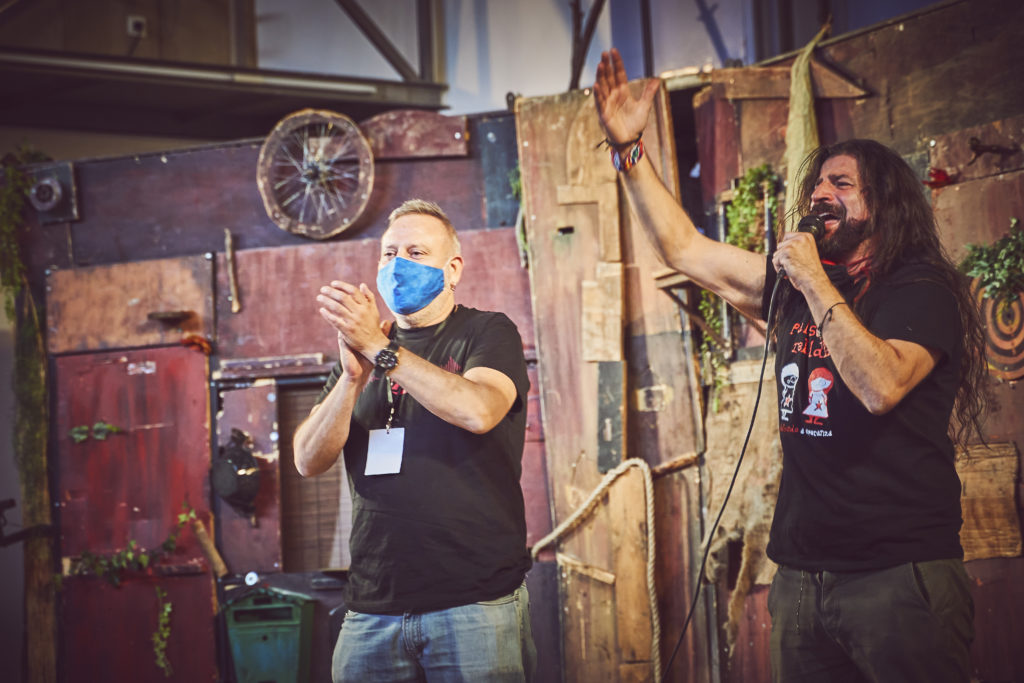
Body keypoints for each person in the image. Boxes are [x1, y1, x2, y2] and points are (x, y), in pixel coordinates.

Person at [594, 48, 987, 683]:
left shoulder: (919, 291)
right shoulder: (796, 287)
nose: (820, 195)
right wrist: (629, 151)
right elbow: (683, 248)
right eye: (817, 185)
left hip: (897, 573)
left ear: (886, 205)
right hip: (801, 576)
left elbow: (880, 386)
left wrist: (810, 279)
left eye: (842, 185)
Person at [293, 199, 536, 682]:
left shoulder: (487, 331)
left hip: (474, 602)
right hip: (371, 607)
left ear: (453, 269)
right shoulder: (362, 355)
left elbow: (479, 411)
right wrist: (351, 379)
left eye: (416, 252)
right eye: (389, 253)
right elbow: (307, 459)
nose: (398, 264)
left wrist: (381, 349)